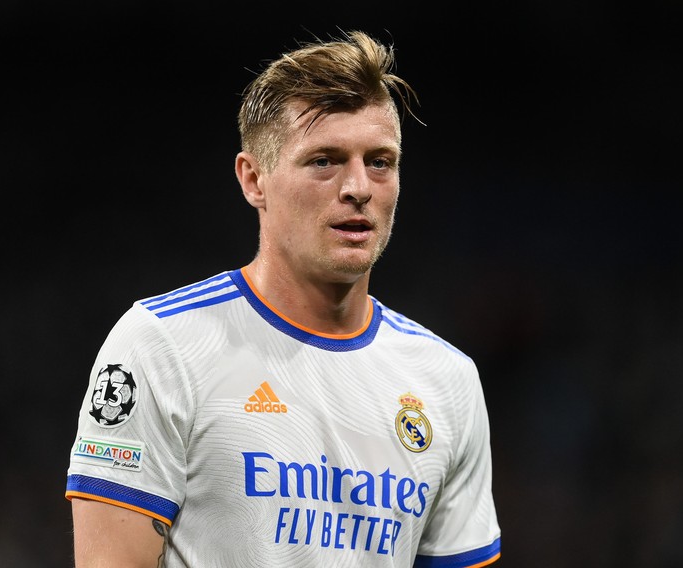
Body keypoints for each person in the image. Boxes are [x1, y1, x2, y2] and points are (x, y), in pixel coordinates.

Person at [65, 29, 501, 567]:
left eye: (381, 161)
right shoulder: (161, 347)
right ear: (254, 180)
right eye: (325, 160)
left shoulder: (448, 381)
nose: (358, 186)